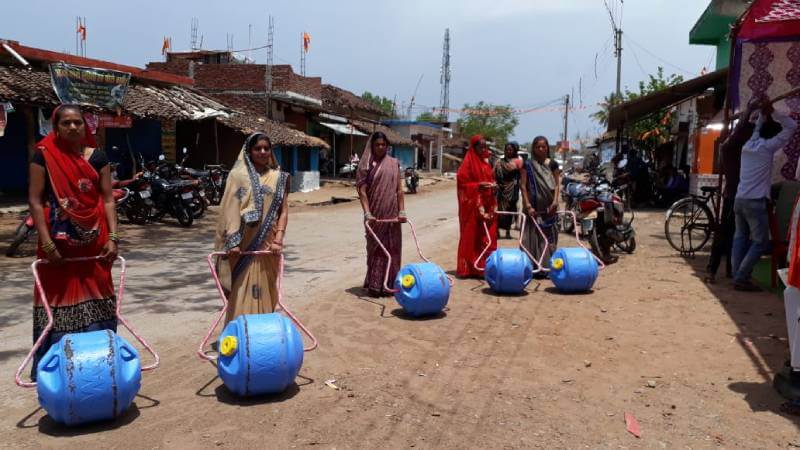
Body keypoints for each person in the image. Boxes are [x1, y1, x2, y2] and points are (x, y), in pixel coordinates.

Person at [27, 104, 119, 379]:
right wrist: (47, 243)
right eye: (66, 123)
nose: (72, 127)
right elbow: (34, 200)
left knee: (99, 292)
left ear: (85, 125)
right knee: (56, 294)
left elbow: (107, 198)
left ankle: (102, 361)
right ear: (56, 127)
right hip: (57, 242)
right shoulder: (44, 156)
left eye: (77, 122)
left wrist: (114, 237)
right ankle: (52, 368)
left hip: (95, 240)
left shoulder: (98, 157)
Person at [215, 132, 290, 322]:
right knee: (241, 292)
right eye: (258, 148)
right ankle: (239, 337)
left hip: (268, 246)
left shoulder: (279, 177)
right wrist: (232, 241)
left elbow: (284, 212)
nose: (263, 152)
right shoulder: (237, 176)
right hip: (242, 248)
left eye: (266, 148)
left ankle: (263, 339)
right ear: (249, 151)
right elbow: (229, 210)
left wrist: (279, 239)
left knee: (267, 289)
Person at [732, 102, 797, 291]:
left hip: (740, 199)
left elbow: (758, 127)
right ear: (772, 135)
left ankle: (738, 275)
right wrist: (774, 112)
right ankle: (741, 277)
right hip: (755, 201)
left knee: (740, 238)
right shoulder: (767, 148)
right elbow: (791, 126)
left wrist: (764, 112)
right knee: (760, 242)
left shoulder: (748, 145)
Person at [706, 102, 758, 283]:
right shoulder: (730, 148)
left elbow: (741, 131)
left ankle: (725, 269)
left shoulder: (731, 148)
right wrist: (749, 111)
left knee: (732, 235)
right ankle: (717, 270)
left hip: (736, 195)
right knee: (729, 235)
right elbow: (741, 130)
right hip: (734, 196)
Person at [357, 132, 406, 297]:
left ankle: (391, 284)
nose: (380, 147)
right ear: (372, 146)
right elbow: (362, 192)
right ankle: (375, 284)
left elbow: (399, 190)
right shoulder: (366, 166)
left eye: (383, 145)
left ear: (387, 146)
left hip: (392, 215)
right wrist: (367, 213)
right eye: (377, 144)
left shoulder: (393, 163)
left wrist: (402, 211)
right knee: (376, 250)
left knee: (392, 248)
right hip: (375, 216)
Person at [456, 135, 497, 278]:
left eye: (485, 146)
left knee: (487, 236)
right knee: (472, 237)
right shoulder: (466, 165)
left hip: (487, 206)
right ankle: (470, 268)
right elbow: (462, 185)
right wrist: (478, 186)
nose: (483, 149)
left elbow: (490, 179)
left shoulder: (486, 164)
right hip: (473, 208)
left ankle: (484, 267)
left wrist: (493, 187)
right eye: (481, 146)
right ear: (474, 148)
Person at [520, 136, 561, 272]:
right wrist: (528, 205)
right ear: (534, 148)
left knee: (548, 237)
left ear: (548, 148)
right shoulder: (528, 165)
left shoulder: (553, 164)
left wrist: (555, 201)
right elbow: (523, 186)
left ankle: (547, 267)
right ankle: (530, 266)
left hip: (549, 208)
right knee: (530, 237)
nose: (541, 149)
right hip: (532, 208)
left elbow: (556, 184)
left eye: (544, 146)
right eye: (538, 147)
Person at [494, 142, 522, 239]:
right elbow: (494, 175)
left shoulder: (518, 162)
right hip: (501, 190)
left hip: (513, 191)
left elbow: (521, 176)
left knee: (511, 211)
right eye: (507, 149)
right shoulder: (499, 162)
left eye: (510, 150)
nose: (508, 151)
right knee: (499, 212)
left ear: (514, 151)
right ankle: (497, 231)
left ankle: (508, 232)